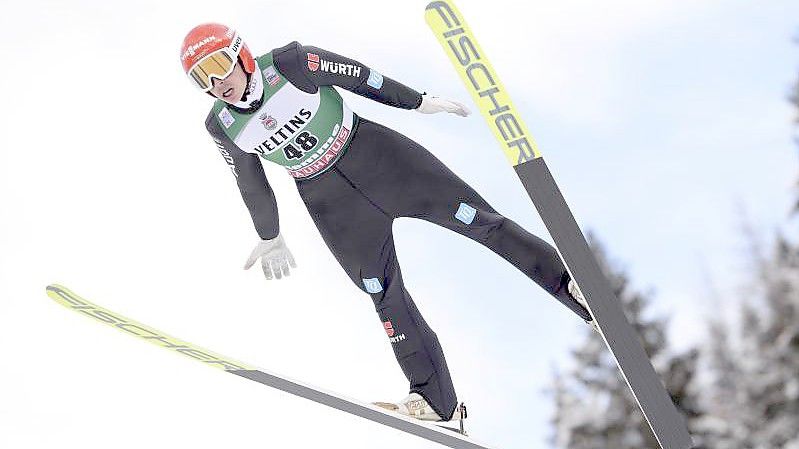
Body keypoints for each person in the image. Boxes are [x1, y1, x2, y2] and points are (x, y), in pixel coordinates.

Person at [180, 23, 594, 424]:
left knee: (480, 222)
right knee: (382, 292)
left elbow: (363, 77)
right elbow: (250, 183)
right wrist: (269, 236)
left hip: (380, 159)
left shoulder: (290, 63)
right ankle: (435, 399)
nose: (216, 83)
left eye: (219, 66)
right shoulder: (222, 124)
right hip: (332, 204)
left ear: (242, 55)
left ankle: (574, 287)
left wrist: (416, 101)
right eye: (203, 78)